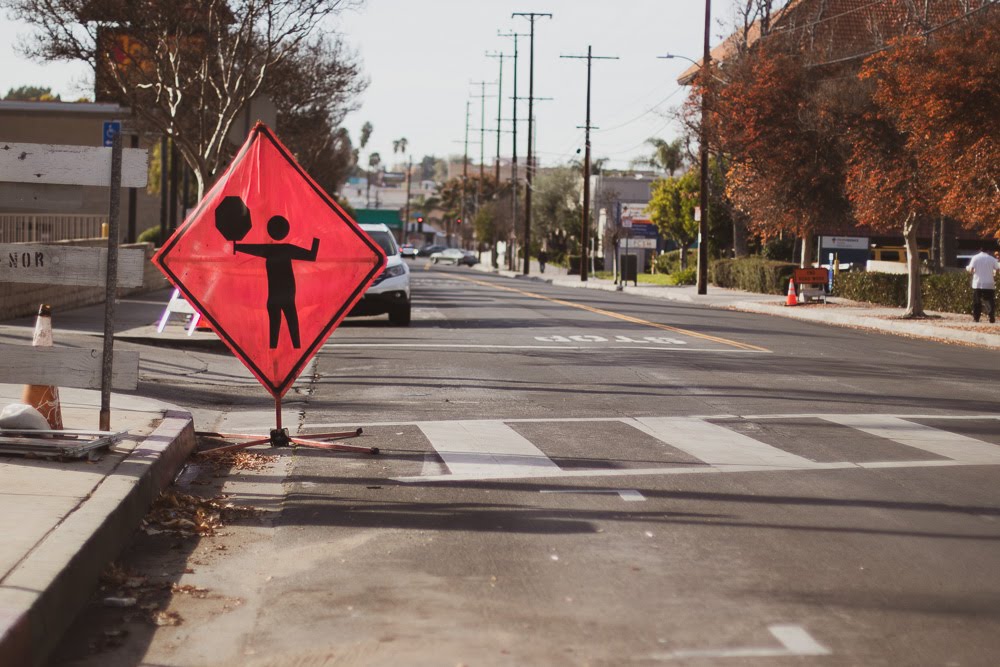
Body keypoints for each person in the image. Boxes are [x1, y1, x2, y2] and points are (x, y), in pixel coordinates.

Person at [966, 244, 1000, 324]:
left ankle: (976, 318)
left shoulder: (975, 258)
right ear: (988, 251)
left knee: (977, 301)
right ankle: (991, 316)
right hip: (989, 283)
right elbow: (998, 268)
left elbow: (971, 269)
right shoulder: (992, 259)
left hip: (977, 283)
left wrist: (969, 269)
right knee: (989, 301)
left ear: (980, 250)